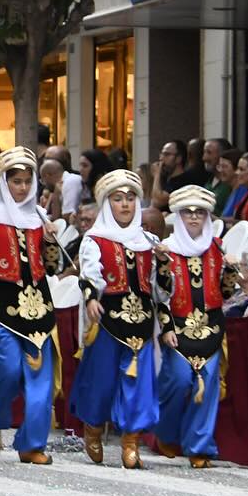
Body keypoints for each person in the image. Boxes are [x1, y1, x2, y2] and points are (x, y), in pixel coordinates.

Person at [0, 148, 62, 465]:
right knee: (5, 372)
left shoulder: (39, 217)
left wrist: (50, 242)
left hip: (39, 307)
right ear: (3, 183)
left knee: (40, 378)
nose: (21, 188)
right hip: (2, 305)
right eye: (15, 181)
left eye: (26, 181)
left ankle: (32, 444)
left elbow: (53, 266)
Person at [71, 168, 171, 468]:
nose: (126, 204)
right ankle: (93, 427)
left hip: (140, 322)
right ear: (106, 204)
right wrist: (91, 299)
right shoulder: (95, 240)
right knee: (100, 383)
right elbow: (89, 275)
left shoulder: (150, 241)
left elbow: (161, 290)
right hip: (107, 320)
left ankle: (131, 442)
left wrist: (165, 266)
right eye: (118, 199)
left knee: (139, 385)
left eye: (130, 198)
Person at [155, 185, 240, 469]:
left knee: (208, 386)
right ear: (178, 217)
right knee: (177, 382)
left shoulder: (216, 247)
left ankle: (199, 446)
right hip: (177, 328)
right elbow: (160, 295)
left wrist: (230, 271)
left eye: (200, 213)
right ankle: (166, 434)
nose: (193, 218)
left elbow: (226, 293)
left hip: (211, 327)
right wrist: (165, 328)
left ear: (207, 216)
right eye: (188, 213)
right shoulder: (167, 250)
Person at [43, 146, 84, 217]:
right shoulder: (53, 183)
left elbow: (67, 216)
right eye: (45, 159)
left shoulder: (71, 181)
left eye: (48, 159)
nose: (45, 162)